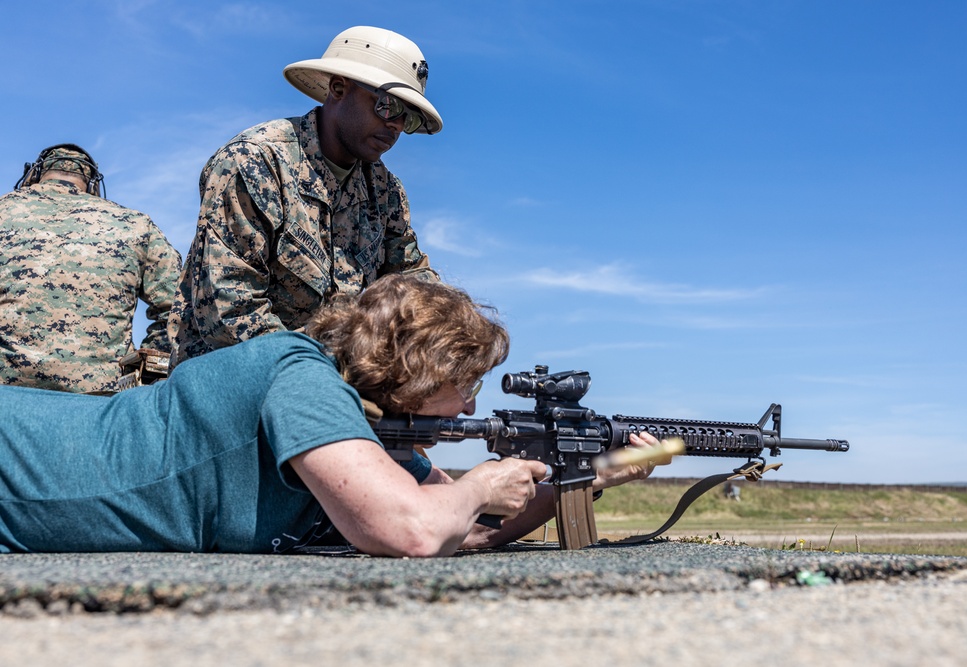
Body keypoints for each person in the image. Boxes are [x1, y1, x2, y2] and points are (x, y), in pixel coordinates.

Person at [0, 275, 660, 557]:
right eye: (464, 385)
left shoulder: (372, 427)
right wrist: (482, 484)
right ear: (419, 374)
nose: (470, 406)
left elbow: (467, 531)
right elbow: (413, 532)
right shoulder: (302, 377)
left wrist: (589, 477)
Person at [169, 25, 443, 368]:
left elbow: (413, 285)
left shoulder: (385, 192)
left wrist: (453, 339)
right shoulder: (255, 162)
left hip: (325, 384)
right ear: (339, 88)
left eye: (409, 118)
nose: (396, 126)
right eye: (387, 106)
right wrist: (329, 374)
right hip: (227, 384)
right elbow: (228, 310)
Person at [0, 144, 182, 394]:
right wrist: (141, 375)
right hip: (102, 404)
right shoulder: (135, 224)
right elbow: (178, 307)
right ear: (93, 185)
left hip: (7, 400)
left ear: (34, 176)